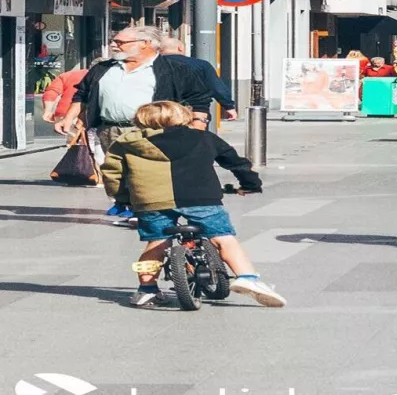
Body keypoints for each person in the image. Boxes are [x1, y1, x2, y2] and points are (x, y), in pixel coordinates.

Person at [100, 100, 284, 308]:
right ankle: (247, 277)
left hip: (151, 201)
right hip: (201, 197)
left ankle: (147, 289)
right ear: (183, 116)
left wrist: (123, 199)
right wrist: (250, 184)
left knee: (156, 241)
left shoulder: (126, 143)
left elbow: (112, 173)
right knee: (223, 237)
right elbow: (235, 161)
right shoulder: (204, 137)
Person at [57, 26, 215, 219]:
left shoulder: (175, 70)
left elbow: (199, 98)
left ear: (144, 44)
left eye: (121, 42)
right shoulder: (102, 68)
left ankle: (144, 208)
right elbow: (82, 93)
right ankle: (125, 202)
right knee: (116, 170)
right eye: (114, 41)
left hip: (151, 130)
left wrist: (198, 124)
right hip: (109, 128)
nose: (114, 45)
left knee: (143, 170)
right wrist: (69, 118)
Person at [157, 33, 238, 122]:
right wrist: (229, 106)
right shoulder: (202, 65)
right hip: (195, 111)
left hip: (163, 110)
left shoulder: (154, 65)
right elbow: (216, 87)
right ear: (180, 48)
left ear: (160, 50)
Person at [41, 55, 99, 131]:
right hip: (84, 115)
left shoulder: (68, 75)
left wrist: (47, 111)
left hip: (63, 113)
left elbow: (51, 92)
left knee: (73, 140)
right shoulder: (100, 77)